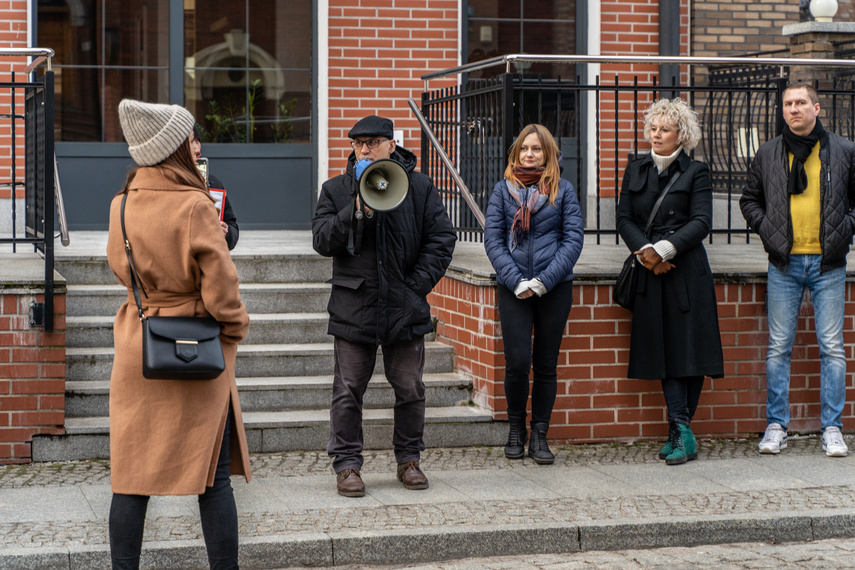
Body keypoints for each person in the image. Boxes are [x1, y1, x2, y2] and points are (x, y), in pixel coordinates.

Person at [106, 99, 251, 569]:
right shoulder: (195, 205)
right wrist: (235, 328)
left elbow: (118, 267)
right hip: (195, 347)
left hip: (139, 341)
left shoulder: (121, 203)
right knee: (213, 481)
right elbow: (221, 288)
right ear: (174, 149)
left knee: (130, 476)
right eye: (189, 137)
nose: (195, 145)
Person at [312, 115, 456, 497]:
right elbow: (322, 241)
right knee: (347, 390)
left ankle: (409, 460)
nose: (364, 150)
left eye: (373, 142)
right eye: (358, 144)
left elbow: (441, 240)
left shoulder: (420, 188)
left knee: (410, 387)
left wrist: (415, 287)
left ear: (392, 145)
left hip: (403, 306)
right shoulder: (335, 190)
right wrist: (355, 209)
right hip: (353, 305)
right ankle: (346, 465)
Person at [740, 82, 855, 457]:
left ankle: (833, 428)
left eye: (801, 102)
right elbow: (749, 199)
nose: (794, 109)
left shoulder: (842, 151)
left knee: (833, 348)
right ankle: (776, 426)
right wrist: (768, 231)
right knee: (778, 348)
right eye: (788, 103)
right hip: (784, 263)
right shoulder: (770, 152)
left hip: (828, 263)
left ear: (817, 108)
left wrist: (846, 228)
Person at [616, 98, 724, 466]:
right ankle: (682, 430)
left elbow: (701, 222)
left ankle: (680, 429)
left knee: (690, 352)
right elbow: (624, 218)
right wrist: (646, 252)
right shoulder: (636, 167)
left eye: (665, 128)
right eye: (653, 127)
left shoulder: (697, 171)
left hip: (686, 271)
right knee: (665, 353)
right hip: (650, 273)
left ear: (682, 134)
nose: (656, 134)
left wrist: (663, 250)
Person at [483, 124, 584, 464]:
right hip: (513, 288)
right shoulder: (502, 191)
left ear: (549, 154)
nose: (529, 154)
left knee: (545, 364)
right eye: (524, 149)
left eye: (537, 149)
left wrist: (544, 280)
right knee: (517, 363)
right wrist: (515, 280)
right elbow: (493, 240)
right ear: (516, 154)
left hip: (554, 288)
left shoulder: (564, 191)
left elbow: (573, 240)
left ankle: (540, 433)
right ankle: (516, 427)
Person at [191, 125, 239, 250]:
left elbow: (231, 223)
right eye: (192, 141)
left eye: (198, 141)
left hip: (209, 264)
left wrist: (226, 234)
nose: (197, 148)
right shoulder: (166, 183)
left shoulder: (213, 183)